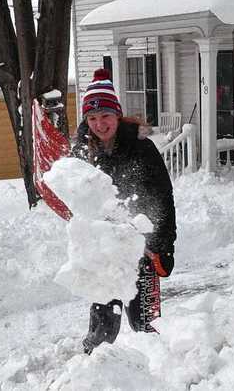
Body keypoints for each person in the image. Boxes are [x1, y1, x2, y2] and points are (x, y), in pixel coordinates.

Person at [72, 68, 176, 354]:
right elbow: (76, 201)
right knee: (103, 326)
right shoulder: (82, 153)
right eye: (92, 118)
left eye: (105, 116)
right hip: (104, 249)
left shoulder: (142, 149)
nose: (99, 124)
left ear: (117, 114)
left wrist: (161, 245)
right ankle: (93, 369)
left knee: (146, 323)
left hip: (140, 248)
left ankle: (158, 372)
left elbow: (163, 198)